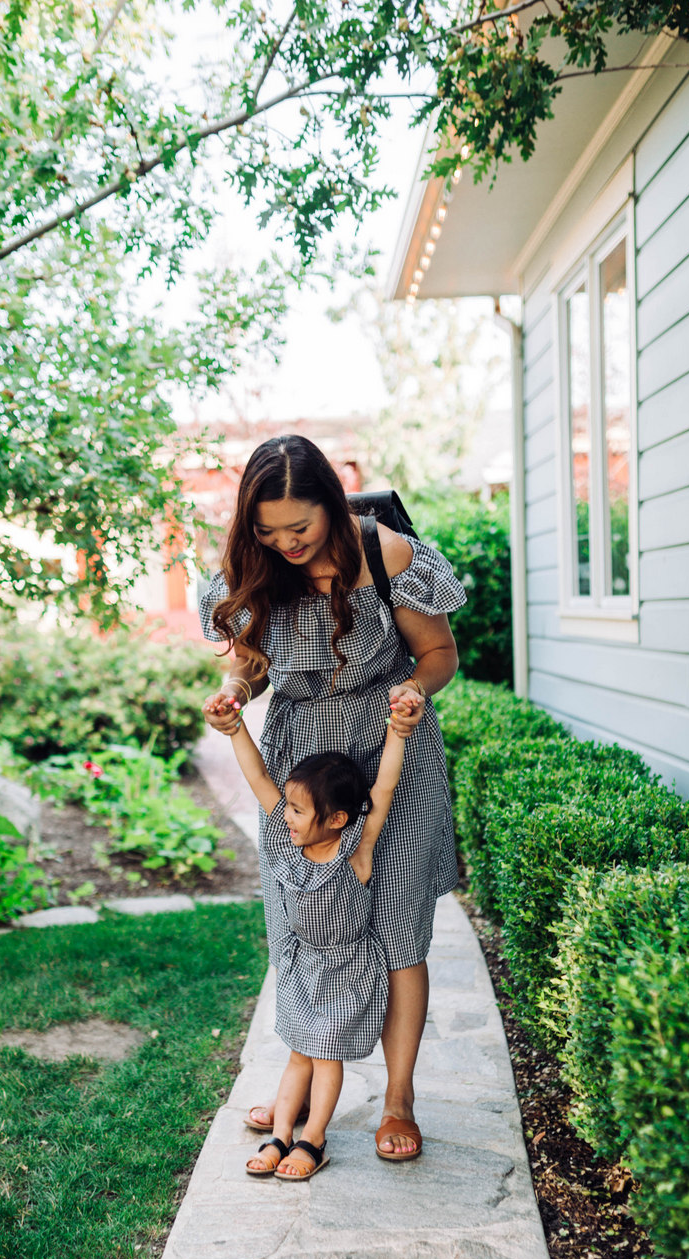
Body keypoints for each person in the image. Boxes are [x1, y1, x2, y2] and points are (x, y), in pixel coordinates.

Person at [199, 435, 466, 1162]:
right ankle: (303, 1086)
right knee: (305, 923)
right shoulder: (247, 570)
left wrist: (414, 688)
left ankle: (398, 1098)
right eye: (265, 530)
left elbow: (437, 655)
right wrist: (234, 693)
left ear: (332, 508)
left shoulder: (390, 559)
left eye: (299, 529)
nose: (283, 544)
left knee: (394, 932)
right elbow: (253, 667)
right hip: (298, 766)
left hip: (391, 747)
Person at [202, 687, 423, 1179]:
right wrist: (236, 729)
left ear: (337, 820)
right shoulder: (288, 836)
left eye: (300, 810)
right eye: (290, 807)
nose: (287, 816)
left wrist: (399, 732)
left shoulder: (355, 852)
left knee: (325, 1056)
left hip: (345, 970)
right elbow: (259, 777)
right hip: (304, 966)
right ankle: (282, 1136)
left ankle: (313, 1140)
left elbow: (383, 789)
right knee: (298, 1052)